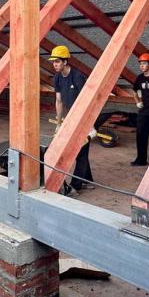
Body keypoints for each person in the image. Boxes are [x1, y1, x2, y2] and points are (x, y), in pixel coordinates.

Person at [48, 45, 95, 194]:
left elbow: (87, 101)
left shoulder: (78, 77)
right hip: (71, 118)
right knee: (80, 152)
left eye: (57, 61)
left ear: (65, 61)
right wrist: (58, 124)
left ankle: (76, 186)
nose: (55, 64)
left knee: (79, 151)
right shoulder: (57, 78)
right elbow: (59, 101)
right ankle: (87, 181)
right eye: (53, 62)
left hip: (84, 118)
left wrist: (90, 124)